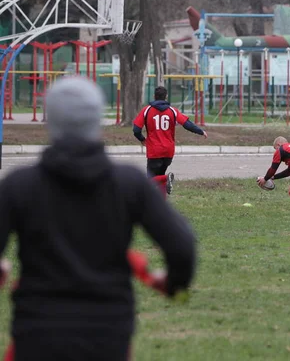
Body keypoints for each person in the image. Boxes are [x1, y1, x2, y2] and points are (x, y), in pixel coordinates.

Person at [0, 76, 197, 361]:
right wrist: (174, 284)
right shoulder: (130, 184)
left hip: (38, 329)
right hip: (107, 330)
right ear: (96, 121)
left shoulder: (19, 185)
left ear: (50, 122)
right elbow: (182, 246)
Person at [133, 86, 208, 196]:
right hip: (168, 151)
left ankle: (166, 178)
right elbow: (187, 124)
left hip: (154, 150)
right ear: (166, 96)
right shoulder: (172, 111)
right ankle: (162, 204)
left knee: (151, 180)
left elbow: (136, 130)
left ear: (154, 96)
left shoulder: (146, 110)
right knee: (160, 180)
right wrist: (200, 131)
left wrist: (142, 139)